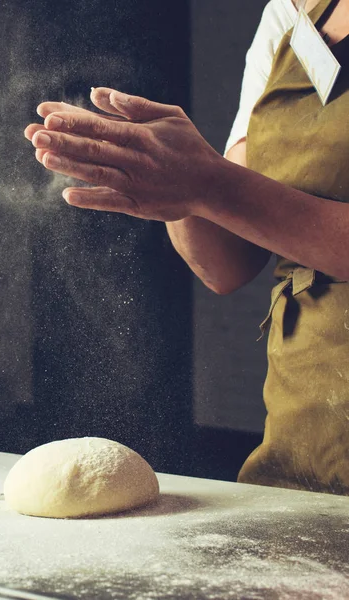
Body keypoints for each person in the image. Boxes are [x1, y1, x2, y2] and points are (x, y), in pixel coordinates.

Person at [25, 0, 349, 495]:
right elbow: (228, 265)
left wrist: (208, 185)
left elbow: (225, 191)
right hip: (304, 443)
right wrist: (174, 190)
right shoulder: (291, 13)